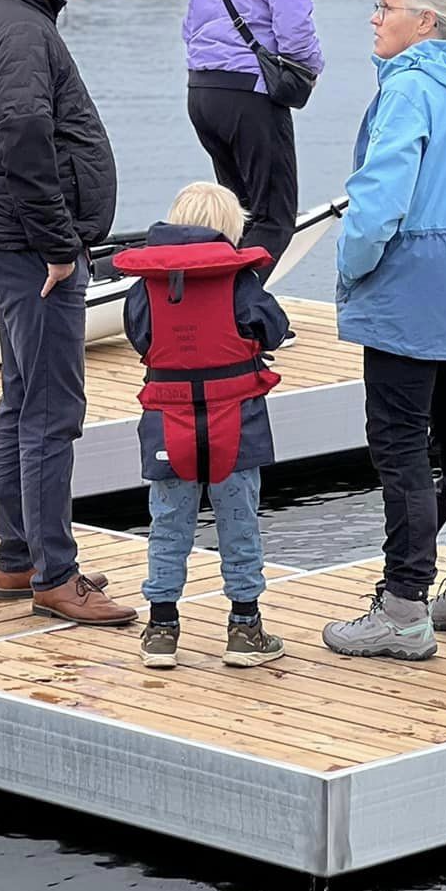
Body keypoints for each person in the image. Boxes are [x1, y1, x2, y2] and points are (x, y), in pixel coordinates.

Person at [0, 0, 137, 626]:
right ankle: (55, 578)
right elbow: (24, 134)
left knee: (22, 404)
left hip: (15, 242)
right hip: (36, 251)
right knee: (50, 414)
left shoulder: (7, 21)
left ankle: (20, 558)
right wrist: (61, 245)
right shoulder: (23, 31)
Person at [322, 0, 446, 662]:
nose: (374, 17)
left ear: (424, 21)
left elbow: (379, 202)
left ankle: (403, 605)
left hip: (408, 279)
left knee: (400, 447)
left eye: (386, 6)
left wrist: (349, 263)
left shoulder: (409, 87)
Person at [115, 181, 290, 670]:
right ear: (230, 230)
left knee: (169, 527)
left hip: (168, 425)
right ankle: (244, 628)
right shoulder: (242, 282)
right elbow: (273, 328)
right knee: (240, 527)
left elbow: (140, 337)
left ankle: (162, 630)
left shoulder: (145, 287)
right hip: (236, 426)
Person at [182, 0, 324, 274]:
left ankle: (225, 312)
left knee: (237, 215)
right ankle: (239, 313)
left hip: (203, 91)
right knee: (275, 218)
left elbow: (190, 24)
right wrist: (311, 69)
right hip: (250, 94)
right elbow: (295, 29)